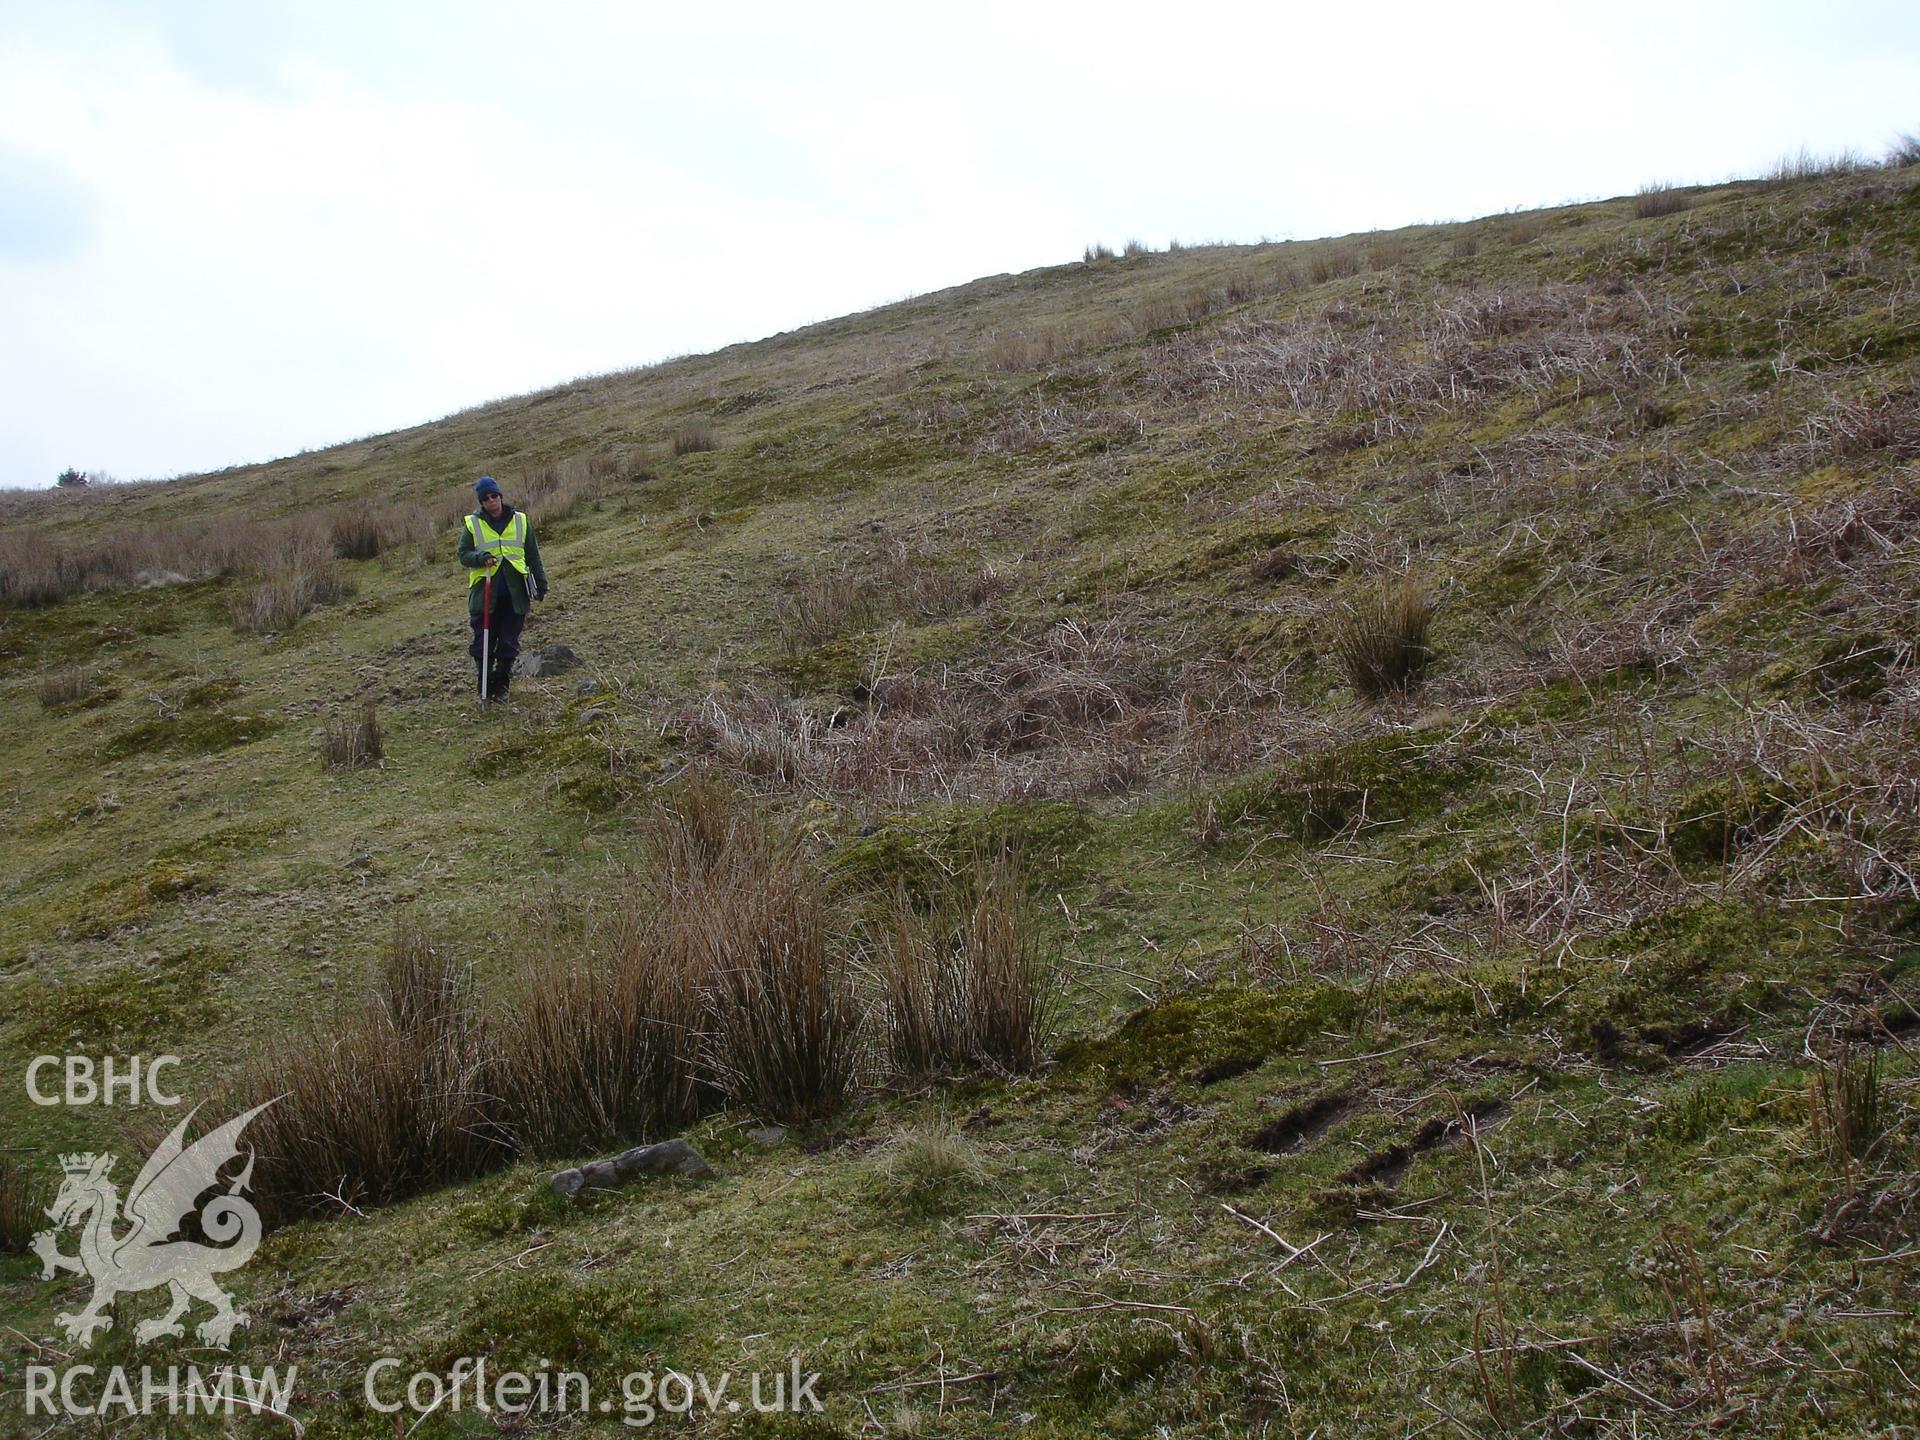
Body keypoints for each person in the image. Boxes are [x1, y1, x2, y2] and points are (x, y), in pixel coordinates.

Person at [458, 475, 549, 701]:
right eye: (486, 498)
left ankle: (502, 686)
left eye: (494, 496)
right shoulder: (472, 524)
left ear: (500, 496)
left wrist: (541, 584)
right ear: (481, 502)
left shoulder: (521, 521)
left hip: (515, 594)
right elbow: (463, 554)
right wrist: (481, 557)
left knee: (509, 642)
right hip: (485, 595)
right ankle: (484, 688)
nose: (492, 501)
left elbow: (532, 555)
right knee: (484, 644)